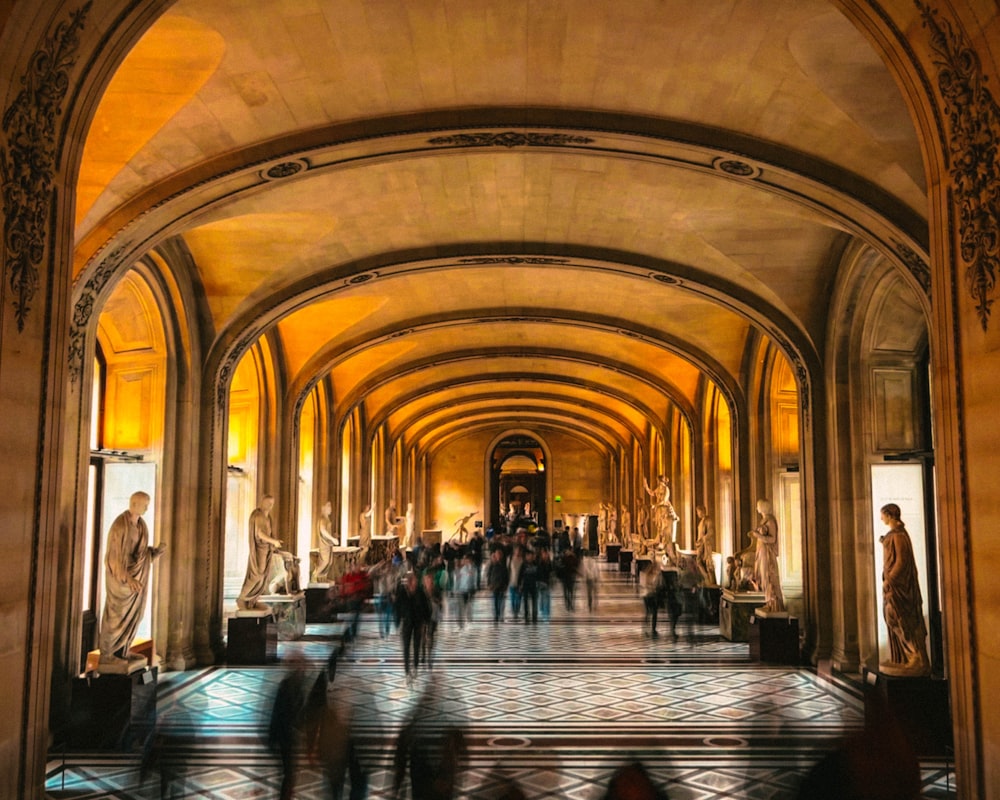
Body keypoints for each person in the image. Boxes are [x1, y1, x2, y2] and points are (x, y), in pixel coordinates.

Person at [99, 491, 166, 672]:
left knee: (135, 615)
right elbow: (113, 559)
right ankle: (107, 655)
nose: (147, 507)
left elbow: (141, 554)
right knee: (116, 614)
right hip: (120, 580)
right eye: (145, 504)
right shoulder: (120, 526)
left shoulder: (142, 525)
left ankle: (123, 651)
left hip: (136, 578)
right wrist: (128, 578)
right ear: (135, 503)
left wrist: (155, 552)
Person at [879, 503, 931, 676]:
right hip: (893, 586)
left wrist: (890, 579)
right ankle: (902, 658)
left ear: (889, 515)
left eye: (883, 515)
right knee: (891, 617)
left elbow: (901, 561)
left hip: (900, 587)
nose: (881, 518)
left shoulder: (900, 535)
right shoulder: (894, 534)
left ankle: (916, 657)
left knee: (900, 618)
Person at [237, 494, 282, 611]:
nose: (270, 506)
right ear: (262, 502)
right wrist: (274, 541)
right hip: (259, 550)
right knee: (257, 574)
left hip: (266, 549)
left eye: (272, 503)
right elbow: (260, 534)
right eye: (268, 503)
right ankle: (242, 598)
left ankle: (252, 601)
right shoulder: (259, 516)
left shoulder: (268, 517)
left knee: (263, 577)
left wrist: (274, 542)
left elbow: (268, 533)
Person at [748, 498, 785, 613]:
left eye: (758, 506)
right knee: (763, 579)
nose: (756, 508)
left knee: (769, 578)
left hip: (767, 555)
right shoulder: (764, 520)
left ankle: (775, 605)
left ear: (763, 507)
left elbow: (772, 539)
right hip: (762, 552)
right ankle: (769, 603)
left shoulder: (770, 521)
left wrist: (758, 535)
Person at [314, 500, 337, 583]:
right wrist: (332, 539)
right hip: (324, 544)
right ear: (323, 508)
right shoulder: (323, 519)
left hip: (328, 544)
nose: (330, 508)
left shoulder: (327, 518)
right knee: (325, 561)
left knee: (329, 562)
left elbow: (327, 531)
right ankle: (315, 576)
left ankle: (322, 578)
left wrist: (333, 536)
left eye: (330, 506)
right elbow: (323, 530)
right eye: (328, 506)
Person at [693, 505, 716, 585]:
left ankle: (709, 580)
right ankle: (706, 578)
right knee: (699, 561)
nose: (697, 513)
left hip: (705, 544)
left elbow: (711, 532)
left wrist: (703, 539)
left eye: (698, 511)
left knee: (707, 562)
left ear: (702, 511)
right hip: (701, 544)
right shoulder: (702, 521)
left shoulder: (708, 520)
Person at [487, 548, 509, 624]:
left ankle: (500, 615)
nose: (498, 556)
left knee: (501, 601)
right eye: (497, 555)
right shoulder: (492, 565)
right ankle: (496, 615)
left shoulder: (503, 565)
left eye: (500, 555)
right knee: (495, 601)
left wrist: (506, 584)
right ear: (495, 556)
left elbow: (506, 575)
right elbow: (489, 575)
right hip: (494, 585)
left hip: (502, 585)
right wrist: (489, 584)